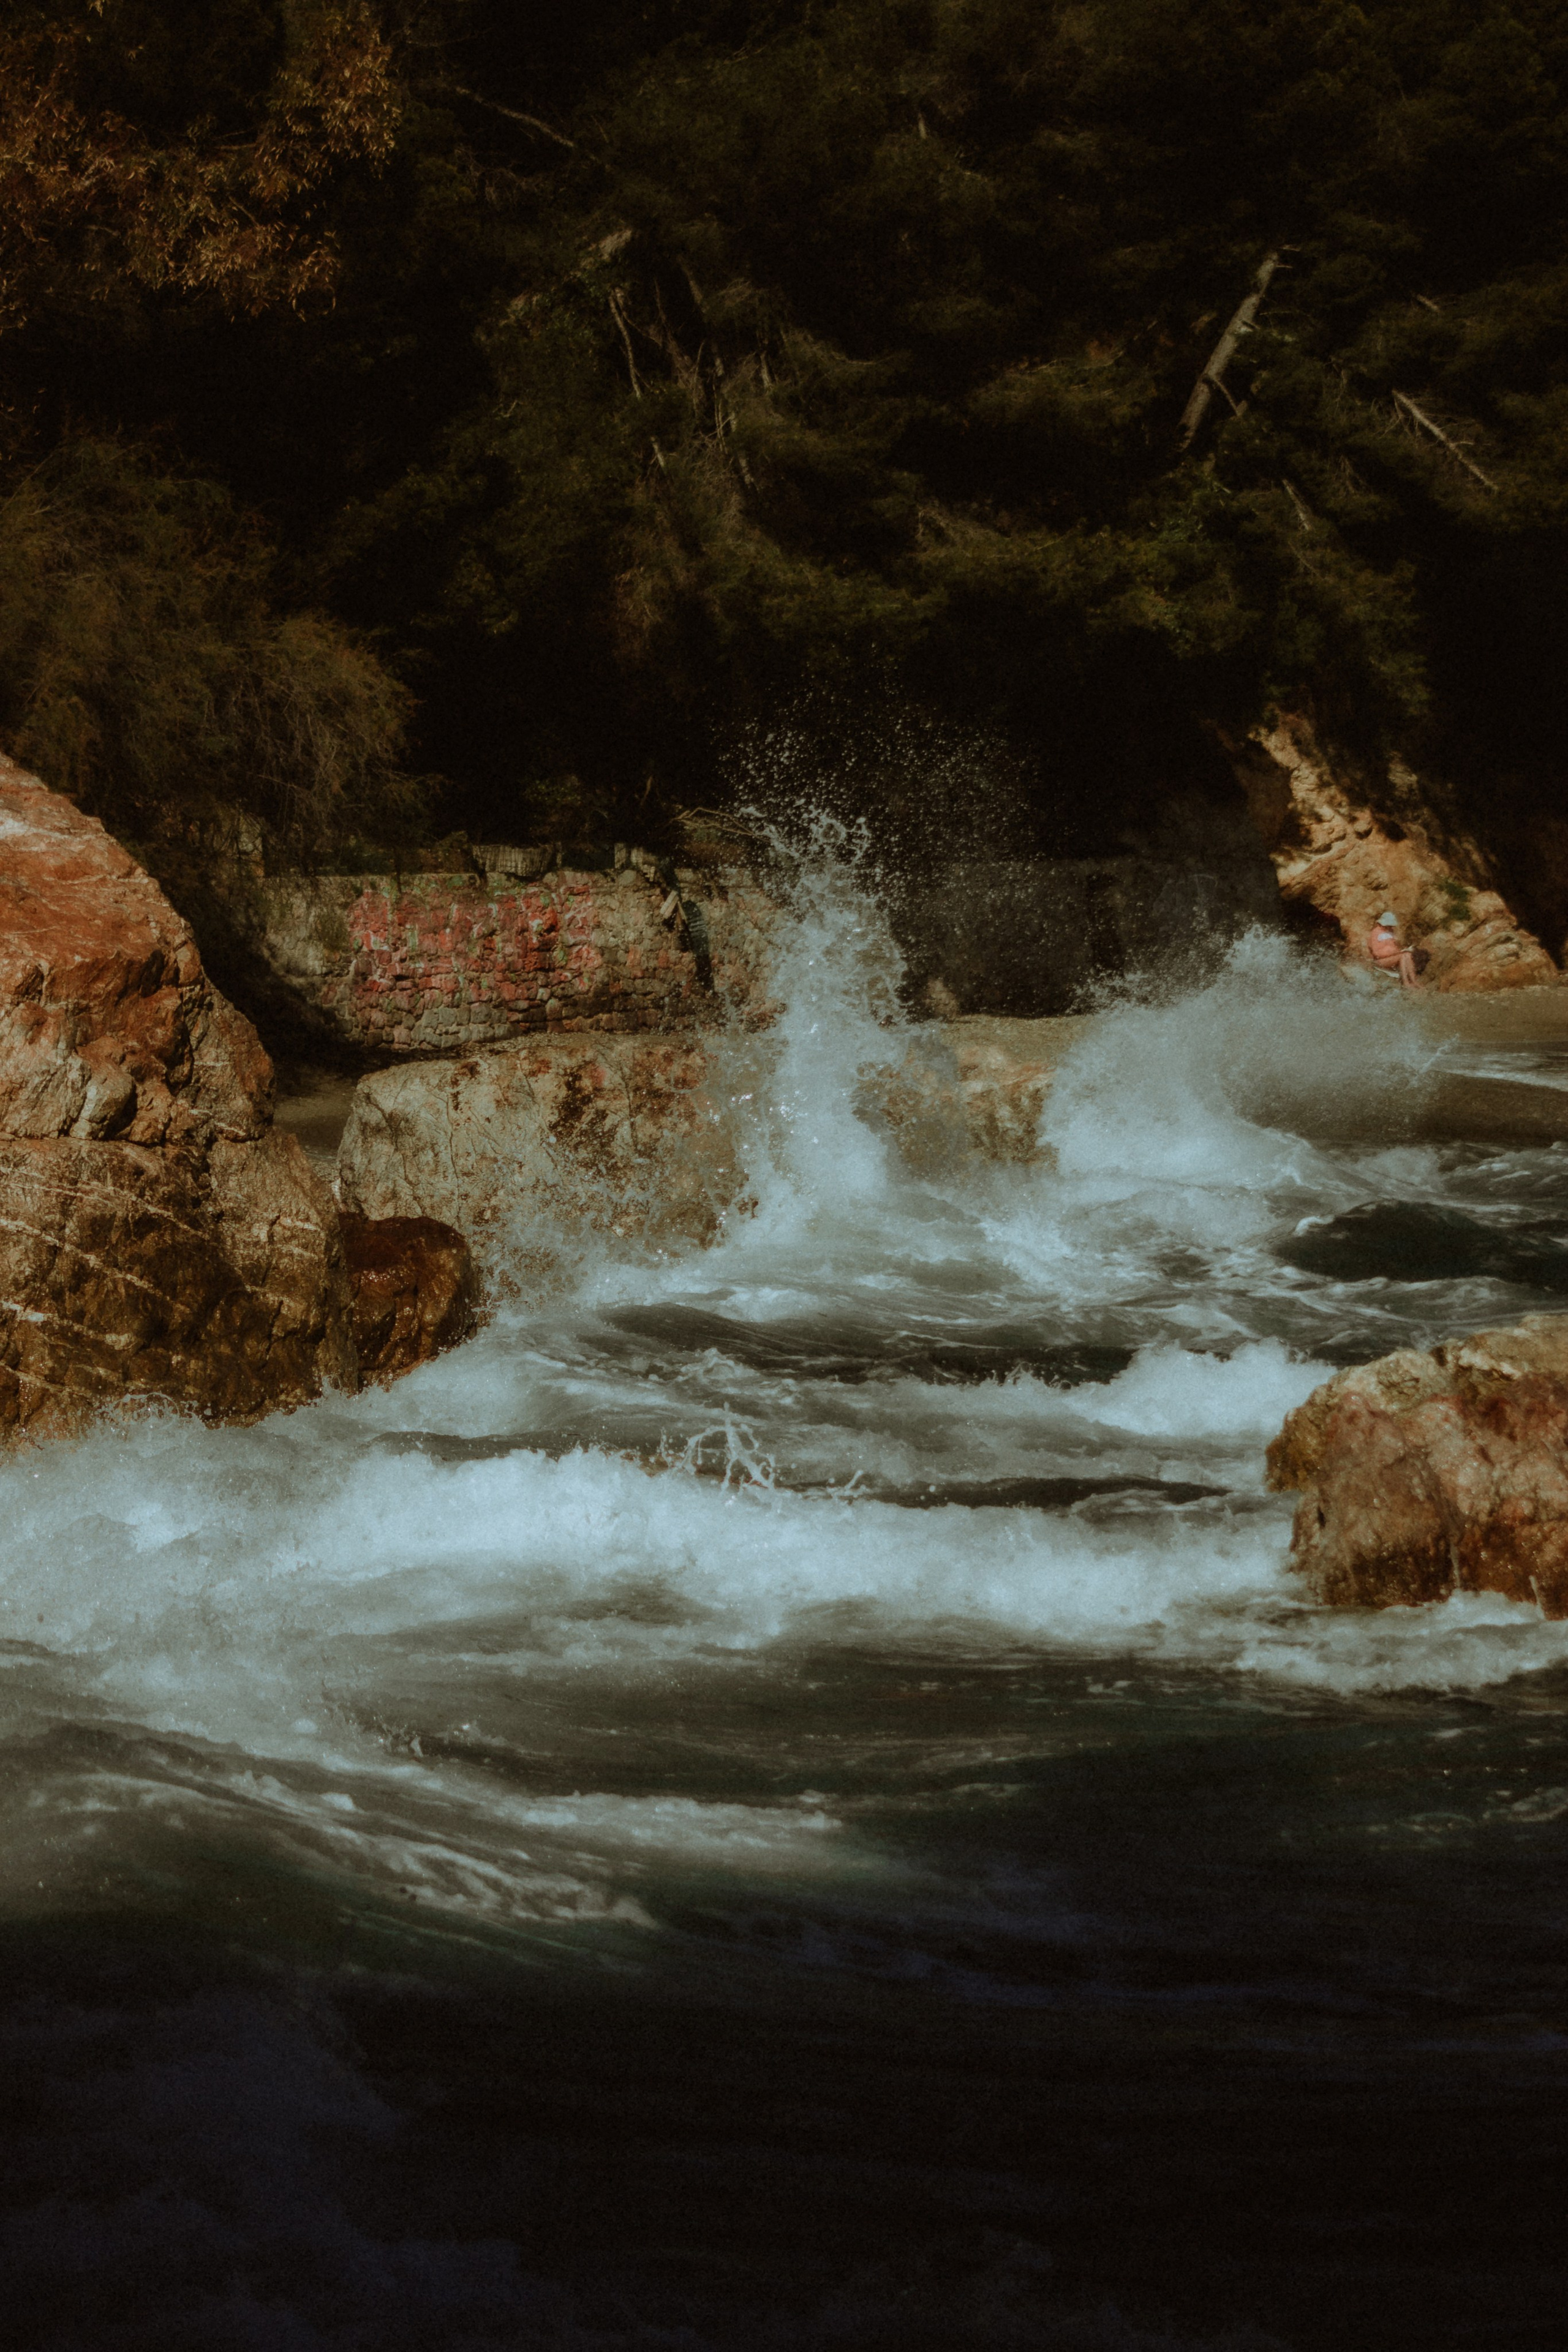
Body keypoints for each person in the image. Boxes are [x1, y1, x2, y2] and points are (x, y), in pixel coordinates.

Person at [1366, 910, 1424, 987]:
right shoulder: (1376, 933)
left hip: (1392, 957)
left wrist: (1399, 950)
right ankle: (1406, 982)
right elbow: (1376, 953)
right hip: (1381, 961)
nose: (1390, 928)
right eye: (1388, 926)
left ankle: (1414, 981)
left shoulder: (1391, 932)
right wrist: (1393, 952)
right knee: (1402, 956)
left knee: (1407, 954)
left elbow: (1394, 946)